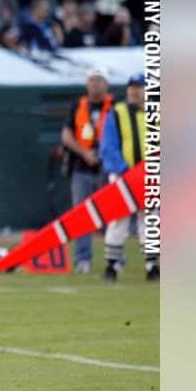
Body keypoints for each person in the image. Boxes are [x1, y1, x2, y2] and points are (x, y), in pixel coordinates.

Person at [100, 74, 159, 282]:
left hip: (150, 176)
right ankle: (112, 266)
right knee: (118, 220)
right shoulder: (117, 113)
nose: (135, 91)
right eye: (132, 87)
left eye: (139, 87)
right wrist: (125, 172)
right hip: (123, 177)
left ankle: (152, 266)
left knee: (150, 220)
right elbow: (108, 146)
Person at [61, 68, 112, 273]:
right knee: (81, 216)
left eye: (99, 80)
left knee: (112, 216)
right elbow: (66, 134)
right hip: (81, 166)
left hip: (107, 167)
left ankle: (114, 259)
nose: (95, 84)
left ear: (106, 84)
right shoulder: (77, 106)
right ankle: (83, 260)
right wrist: (84, 152)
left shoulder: (115, 107)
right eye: (92, 80)